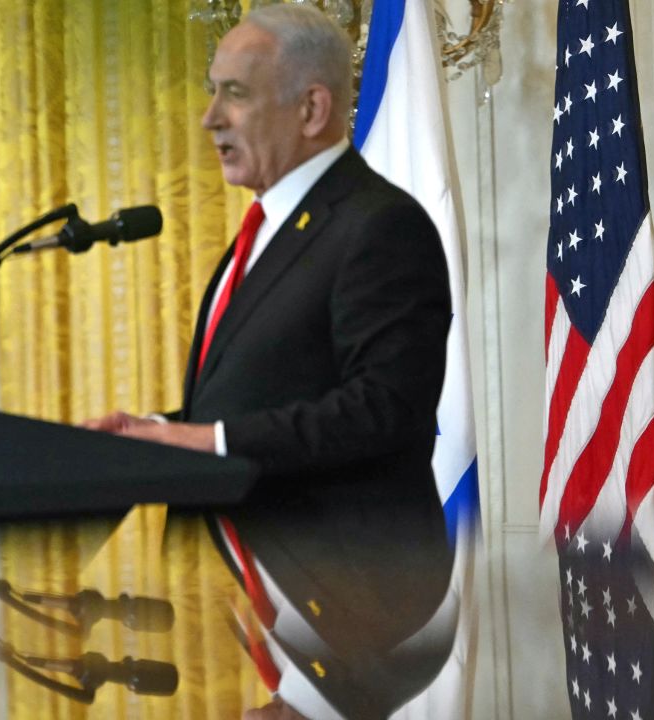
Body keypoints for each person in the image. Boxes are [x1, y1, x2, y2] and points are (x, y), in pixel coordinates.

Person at [84, 6, 453, 718]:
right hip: (257, 618)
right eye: (211, 90)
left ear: (312, 107)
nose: (209, 117)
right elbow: (258, 397)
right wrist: (155, 431)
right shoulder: (262, 236)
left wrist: (206, 443)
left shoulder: (380, 225)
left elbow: (386, 409)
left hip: (351, 618)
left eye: (235, 93)